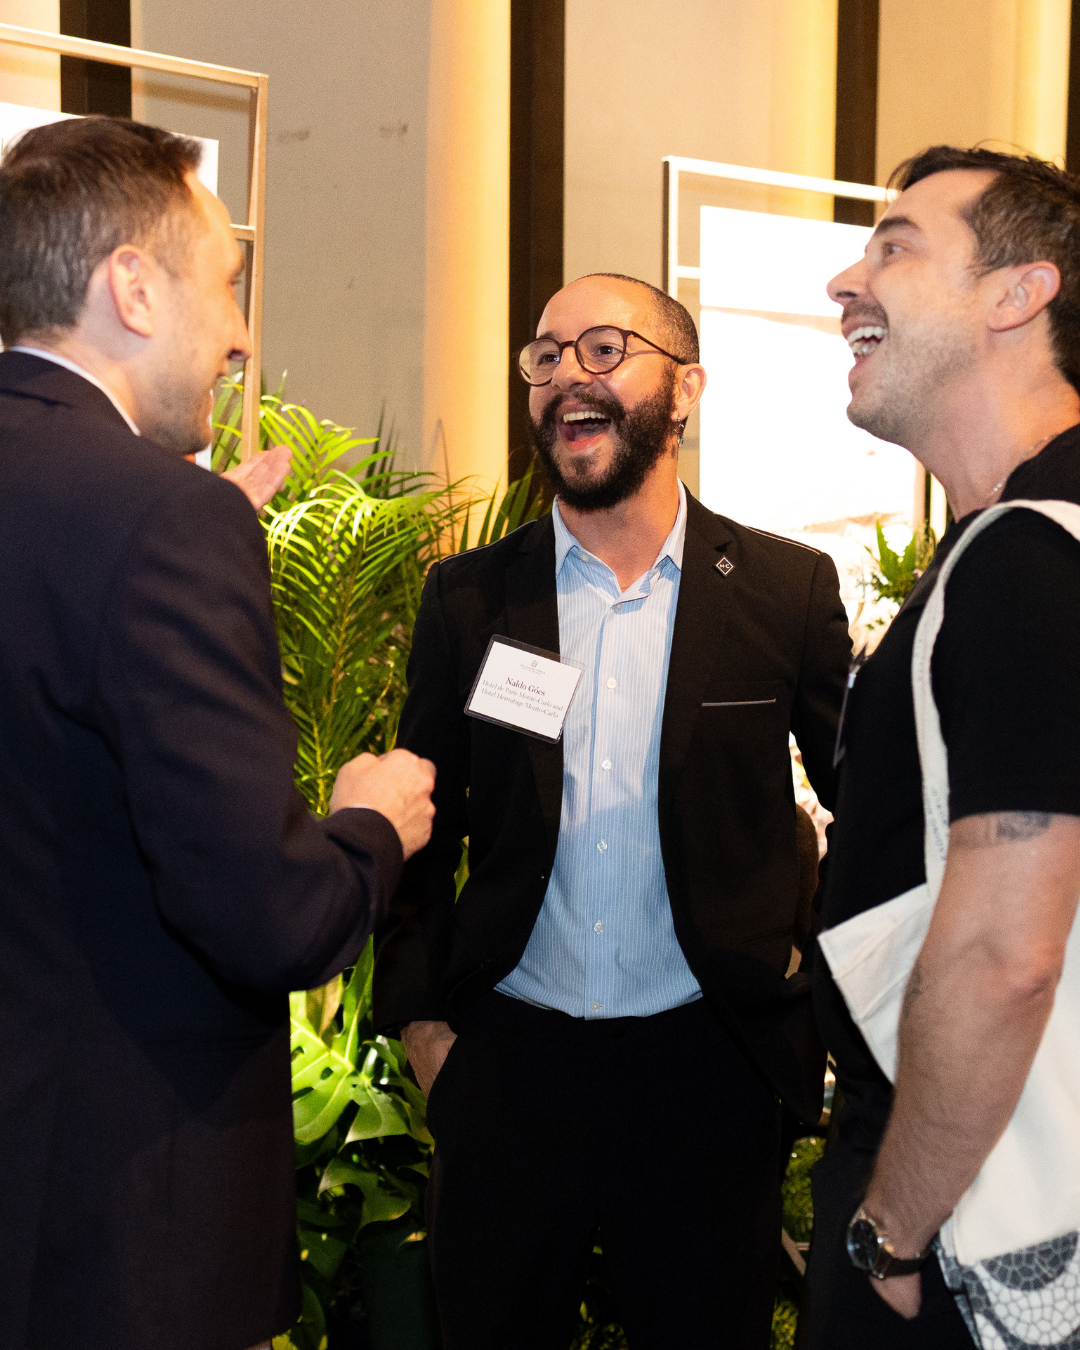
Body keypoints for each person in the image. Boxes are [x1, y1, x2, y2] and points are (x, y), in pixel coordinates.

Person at [0, 116, 436, 1350]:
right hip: (113, 1221)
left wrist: (174, 545)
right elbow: (267, 913)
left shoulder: (149, 521)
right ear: (132, 287)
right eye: (227, 283)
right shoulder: (161, 526)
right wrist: (370, 823)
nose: (241, 333)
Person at [373, 272, 852, 1348]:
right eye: (544, 357)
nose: (564, 379)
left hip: (707, 1071)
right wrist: (423, 1024)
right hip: (508, 1063)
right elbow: (419, 819)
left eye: (601, 349)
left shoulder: (783, 594)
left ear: (684, 390)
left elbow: (868, 818)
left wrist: (806, 1014)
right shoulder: (470, 599)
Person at [809, 146, 1080, 1349]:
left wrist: (891, 1233)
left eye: (896, 244)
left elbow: (1002, 955)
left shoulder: (1025, 565)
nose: (844, 280)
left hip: (965, 1215)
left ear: (1019, 293)